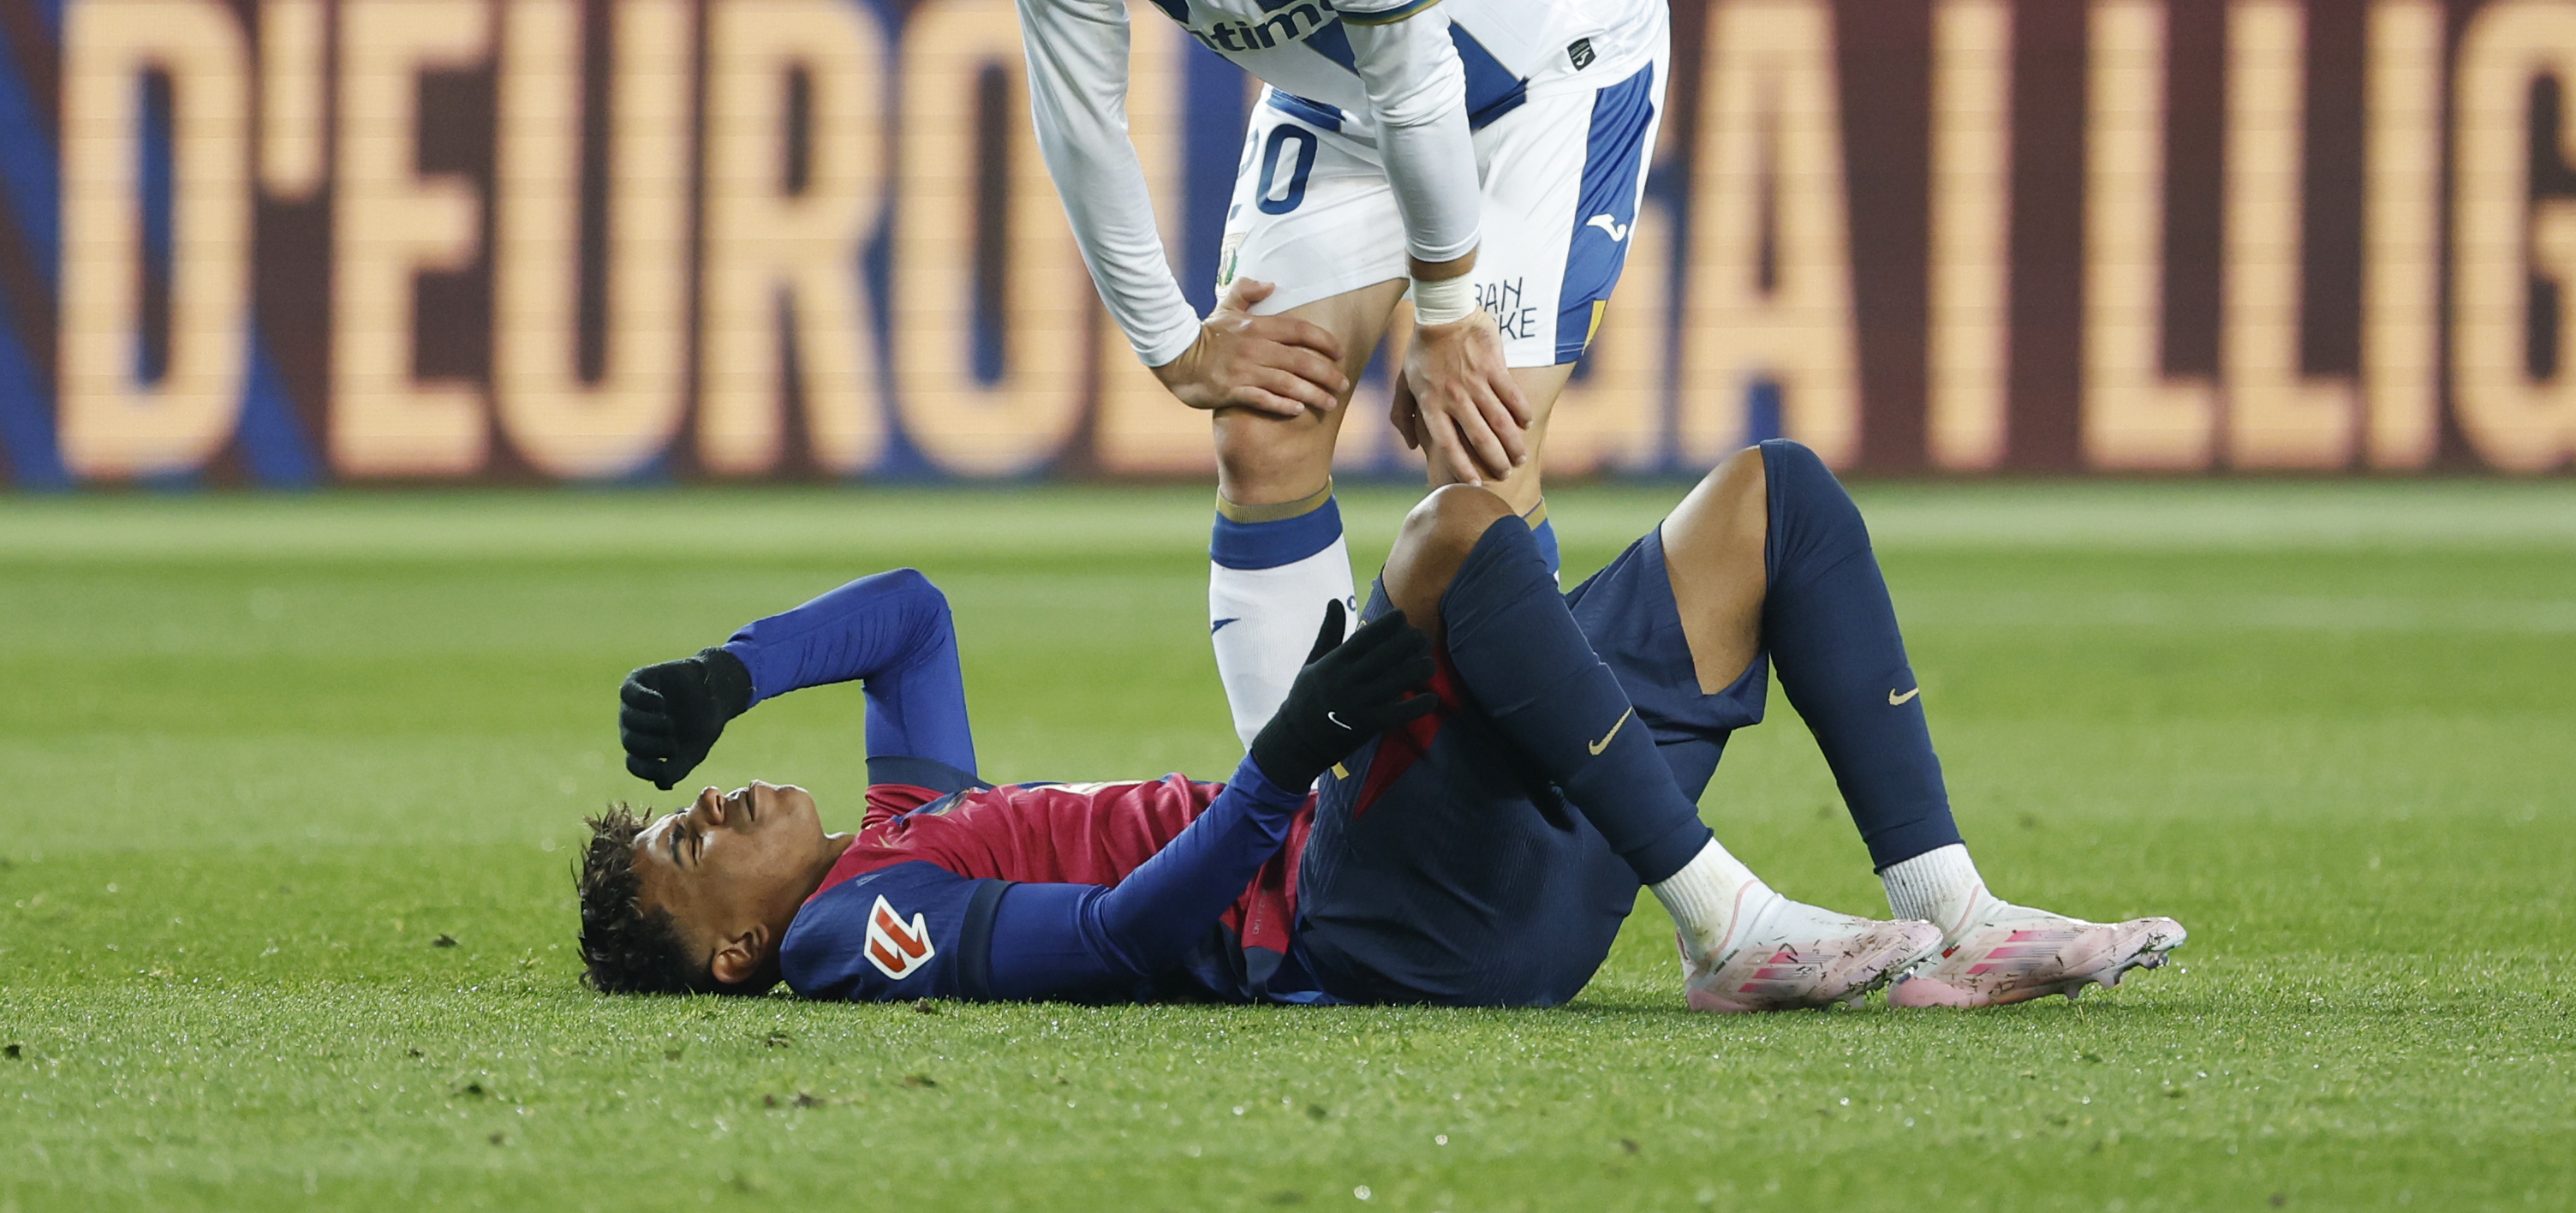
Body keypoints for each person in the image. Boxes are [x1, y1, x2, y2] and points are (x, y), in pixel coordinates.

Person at [581, 441, 2185, 1011]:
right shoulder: (847, 932)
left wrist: (732, 670)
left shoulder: (895, 834)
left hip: (1449, 876)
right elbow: (1130, 936)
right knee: (1448, 538)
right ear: (729, 952)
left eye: (688, 802)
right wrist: (1283, 764)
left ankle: (1951, 916)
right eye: (684, 848)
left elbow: (913, 611)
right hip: (1368, 916)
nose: (708, 808)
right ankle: (1729, 924)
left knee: (1781, 505)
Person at [931, 0, 1673, 754]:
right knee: (1261, 433)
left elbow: (1423, 75)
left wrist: (1445, 304)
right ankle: (1292, 841)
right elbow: (1081, 128)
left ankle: (1530, 828)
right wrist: (1175, 347)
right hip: (1347, 93)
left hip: (1548, 76)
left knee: (1476, 452)